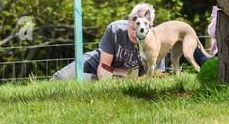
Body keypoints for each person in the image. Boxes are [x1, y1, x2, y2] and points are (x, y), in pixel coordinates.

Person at [51, 4, 212, 81]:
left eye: (143, 24)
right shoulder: (115, 29)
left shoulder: (157, 42)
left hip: (122, 77)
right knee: (59, 79)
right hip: (98, 63)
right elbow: (103, 68)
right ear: (129, 19)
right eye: (134, 23)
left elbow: (157, 75)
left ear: (150, 26)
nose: (137, 29)